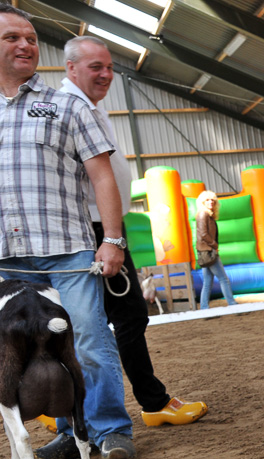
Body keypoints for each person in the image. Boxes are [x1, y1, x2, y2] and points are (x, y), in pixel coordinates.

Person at [0, 5, 135, 459]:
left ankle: (113, 430)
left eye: (32, 38)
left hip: (68, 252)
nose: (25, 45)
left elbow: (102, 177)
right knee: (31, 353)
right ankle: (70, 432)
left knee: (90, 344)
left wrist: (113, 239)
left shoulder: (66, 104)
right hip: (7, 259)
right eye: (12, 38)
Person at [60, 35, 208, 430]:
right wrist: (110, 236)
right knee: (121, 318)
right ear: (70, 68)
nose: (106, 74)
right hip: (92, 228)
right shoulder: (71, 106)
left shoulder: (91, 106)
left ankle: (69, 412)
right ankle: (150, 401)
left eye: (109, 67)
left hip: (105, 225)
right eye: (96, 67)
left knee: (110, 320)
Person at [194, 191, 238, 309]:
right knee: (224, 279)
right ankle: (232, 304)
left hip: (205, 250)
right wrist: (214, 245)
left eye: (213, 200)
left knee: (208, 282)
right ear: (202, 202)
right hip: (208, 251)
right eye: (207, 200)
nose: (211, 202)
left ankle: (204, 308)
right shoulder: (203, 214)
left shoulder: (207, 215)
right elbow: (203, 234)